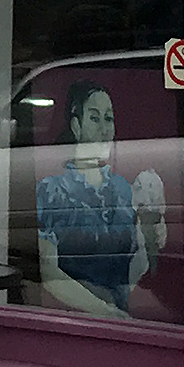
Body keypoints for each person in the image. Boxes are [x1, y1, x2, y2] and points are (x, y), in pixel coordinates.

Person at [31, 81, 167, 319]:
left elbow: (132, 270)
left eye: (109, 119)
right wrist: (104, 311)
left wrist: (151, 237)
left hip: (121, 317)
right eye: (94, 119)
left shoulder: (124, 190)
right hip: (71, 319)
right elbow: (49, 272)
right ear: (76, 125)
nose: (104, 130)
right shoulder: (52, 191)